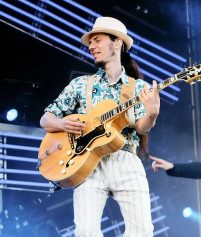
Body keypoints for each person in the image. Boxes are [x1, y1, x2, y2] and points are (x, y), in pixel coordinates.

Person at [40, 17, 160, 237]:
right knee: (86, 232)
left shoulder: (138, 87)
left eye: (97, 40)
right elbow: (46, 119)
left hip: (126, 160)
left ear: (117, 43)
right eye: (90, 42)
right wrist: (62, 122)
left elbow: (142, 128)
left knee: (142, 231)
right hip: (88, 162)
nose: (91, 46)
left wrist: (151, 113)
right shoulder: (81, 84)